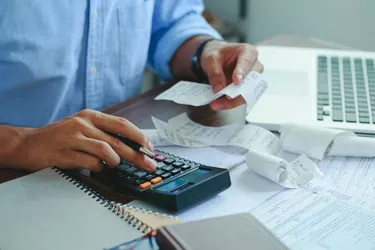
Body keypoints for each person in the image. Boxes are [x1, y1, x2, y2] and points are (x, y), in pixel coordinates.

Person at [0, 0, 263, 173]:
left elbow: (169, 24)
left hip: (117, 166)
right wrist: (21, 144)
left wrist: (206, 51)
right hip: (16, 174)